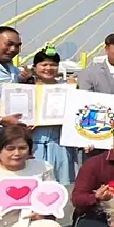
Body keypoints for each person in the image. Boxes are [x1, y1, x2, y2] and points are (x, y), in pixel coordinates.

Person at [26, 46, 79, 184]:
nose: (48, 68)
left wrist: (75, 90)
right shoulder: (25, 88)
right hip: (34, 146)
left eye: (53, 64)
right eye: (44, 64)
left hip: (60, 145)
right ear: (35, 67)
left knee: (61, 185)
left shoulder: (67, 87)